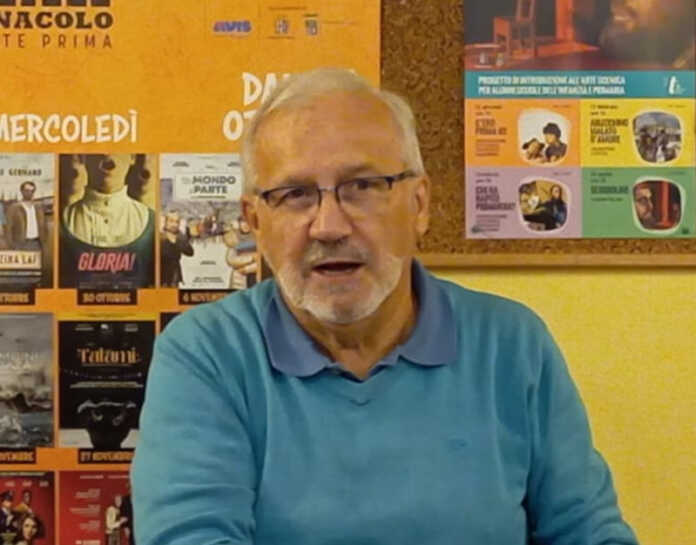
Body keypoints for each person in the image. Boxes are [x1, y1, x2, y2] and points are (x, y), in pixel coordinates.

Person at [132, 68, 638, 544]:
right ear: (256, 222)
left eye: (362, 187)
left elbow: (588, 531)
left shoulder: (511, 344)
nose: (329, 226)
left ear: (419, 205)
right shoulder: (207, 354)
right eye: (295, 194)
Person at [62, 154, 154, 248]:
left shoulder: (150, 222)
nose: (106, 153)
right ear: (83, 157)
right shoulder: (61, 222)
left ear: (132, 157)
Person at [5, 182, 46, 251]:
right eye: (27, 190)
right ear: (22, 191)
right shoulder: (14, 208)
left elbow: (43, 225)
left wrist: (43, 240)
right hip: (20, 244)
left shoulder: (38, 207)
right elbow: (8, 228)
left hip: (37, 243)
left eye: (32, 191)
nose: (30, 193)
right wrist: (11, 245)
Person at [160, 210, 194, 287]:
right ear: (165, 222)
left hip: (174, 278)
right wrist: (169, 240)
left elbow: (190, 252)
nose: (174, 224)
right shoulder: (159, 235)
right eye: (171, 221)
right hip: (160, 277)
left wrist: (178, 240)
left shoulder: (179, 236)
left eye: (177, 222)